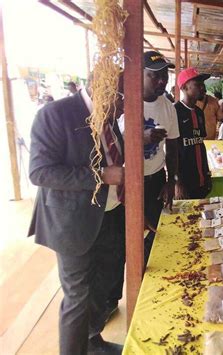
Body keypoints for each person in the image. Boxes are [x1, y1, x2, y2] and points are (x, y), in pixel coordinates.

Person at [28, 74, 125, 354]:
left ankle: (92, 341)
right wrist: (100, 176)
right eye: (120, 97)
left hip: (109, 217)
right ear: (99, 86)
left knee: (101, 290)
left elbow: (110, 155)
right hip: (72, 225)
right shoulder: (55, 114)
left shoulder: (108, 117)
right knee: (77, 299)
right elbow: (39, 172)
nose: (123, 105)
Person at [110, 50, 179, 316]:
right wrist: (142, 136)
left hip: (154, 180)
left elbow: (173, 147)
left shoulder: (168, 107)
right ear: (140, 76)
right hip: (126, 184)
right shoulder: (125, 105)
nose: (161, 81)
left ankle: (150, 294)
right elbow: (113, 145)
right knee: (123, 243)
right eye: (155, 76)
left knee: (152, 238)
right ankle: (115, 297)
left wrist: (170, 180)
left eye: (164, 76)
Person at [174, 67, 212, 199]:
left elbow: (200, 145)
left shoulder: (199, 112)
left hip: (200, 178)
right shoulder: (175, 112)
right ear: (184, 87)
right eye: (198, 84)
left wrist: (207, 174)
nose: (203, 88)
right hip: (184, 181)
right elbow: (171, 150)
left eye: (203, 84)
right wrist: (177, 182)